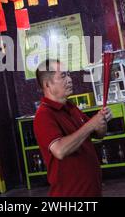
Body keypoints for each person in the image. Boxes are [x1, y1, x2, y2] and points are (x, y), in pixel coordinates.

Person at [33, 59, 112, 197]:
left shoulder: (71, 107)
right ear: (47, 84)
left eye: (68, 74)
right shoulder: (44, 115)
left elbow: (99, 134)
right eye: (63, 76)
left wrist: (101, 121)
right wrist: (91, 124)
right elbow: (59, 150)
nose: (69, 79)